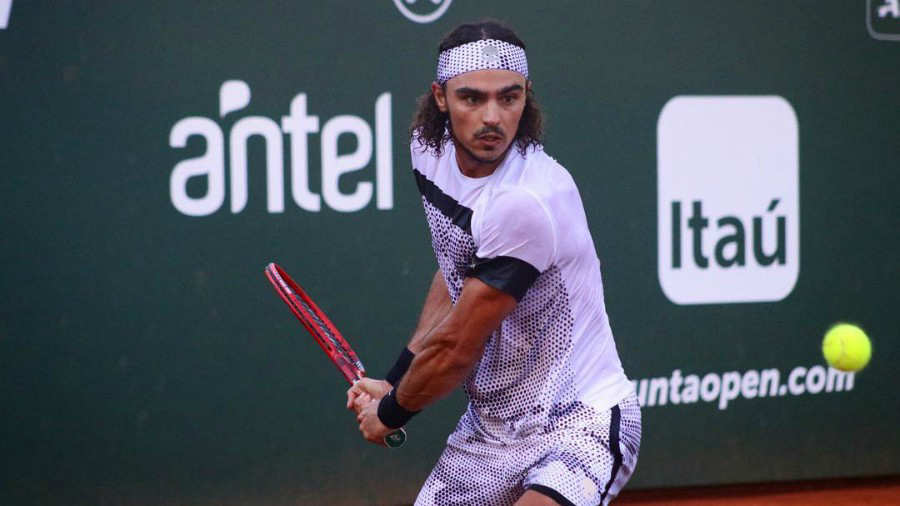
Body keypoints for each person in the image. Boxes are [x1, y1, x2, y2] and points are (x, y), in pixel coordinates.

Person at [347, 20, 641, 506]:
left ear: (527, 95)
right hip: (489, 433)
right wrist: (396, 380)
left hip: (578, 423)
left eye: (509, 98)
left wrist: (392, 412)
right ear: (440, 98)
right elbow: (458, 269)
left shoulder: (524, 202)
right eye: (471, 98)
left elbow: (457, 348)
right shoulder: (428, 151)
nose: (492, 118)